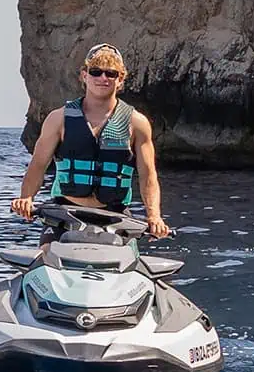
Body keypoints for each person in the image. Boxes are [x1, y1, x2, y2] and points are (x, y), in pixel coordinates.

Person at [11, 42, 172, 238]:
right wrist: (26, 198)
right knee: (47, 250)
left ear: (120, 79)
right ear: (84, 75)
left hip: (115, 216)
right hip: (65, 213)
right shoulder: (58, 119)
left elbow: (148, 175)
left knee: (126, 254)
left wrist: (154, 216)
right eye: (96, 72)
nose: (103, 78)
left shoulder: (137, 123)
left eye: (111, 73)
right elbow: (38, 164)